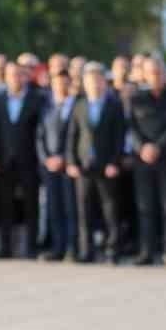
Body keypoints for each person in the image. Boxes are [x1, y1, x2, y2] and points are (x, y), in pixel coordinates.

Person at [127, 57, 166, 266]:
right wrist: (142, 147)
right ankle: (146, 252)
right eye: (151, 72)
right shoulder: (136, 99)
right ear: (144, 74)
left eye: (159, 72)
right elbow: (132, 128)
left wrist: (158, 147)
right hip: (142, 160)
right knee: (145, 208)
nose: (156, 76)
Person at [66, 61, 126, 263]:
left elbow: (120, 137)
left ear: (104, 82)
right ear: (84, 82)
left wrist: (114, 162)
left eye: (98, 81)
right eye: (90, 81)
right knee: (84, 210)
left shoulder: (114, 105)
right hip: (83, 166)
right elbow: (72, 136)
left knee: (110, 209)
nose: (95, 85)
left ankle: (112, 250)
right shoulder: (79, 105)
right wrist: (71, 162)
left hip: (106, 165)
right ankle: (86, 250)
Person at [0, 60, 42, 258]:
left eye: (19, 75)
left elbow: (40, 131)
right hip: (4, 161)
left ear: (25, 77)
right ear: (6, 77)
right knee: (5, 205)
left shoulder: (36, 99)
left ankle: (31, 247)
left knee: (31, 204)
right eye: (12, 75)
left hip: (29, 160)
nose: (16, 78)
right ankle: (5, 247)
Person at [36, 67, 78, 261]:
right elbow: (40, 137)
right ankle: (58, 247)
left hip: (69, 165)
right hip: (50, 165)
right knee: (54, 207)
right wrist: (46, 158)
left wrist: (66, 158)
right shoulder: (47, 107)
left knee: (71, 207)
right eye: (57, 82)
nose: (60, 86)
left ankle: (72, 247)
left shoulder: (77, 105)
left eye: (64, 82)